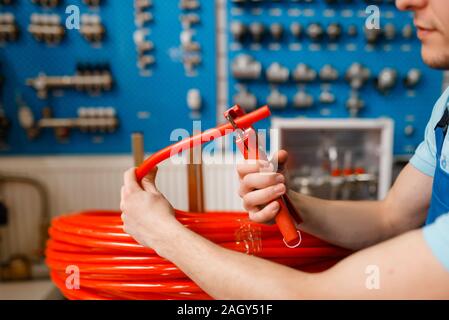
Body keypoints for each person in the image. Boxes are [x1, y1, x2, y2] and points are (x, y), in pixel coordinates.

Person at [120, 0, 449, 299]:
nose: (405, 2)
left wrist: (161, 233)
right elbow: (389, 219)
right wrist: (287, 201)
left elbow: (312, 297)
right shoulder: (446, 108)